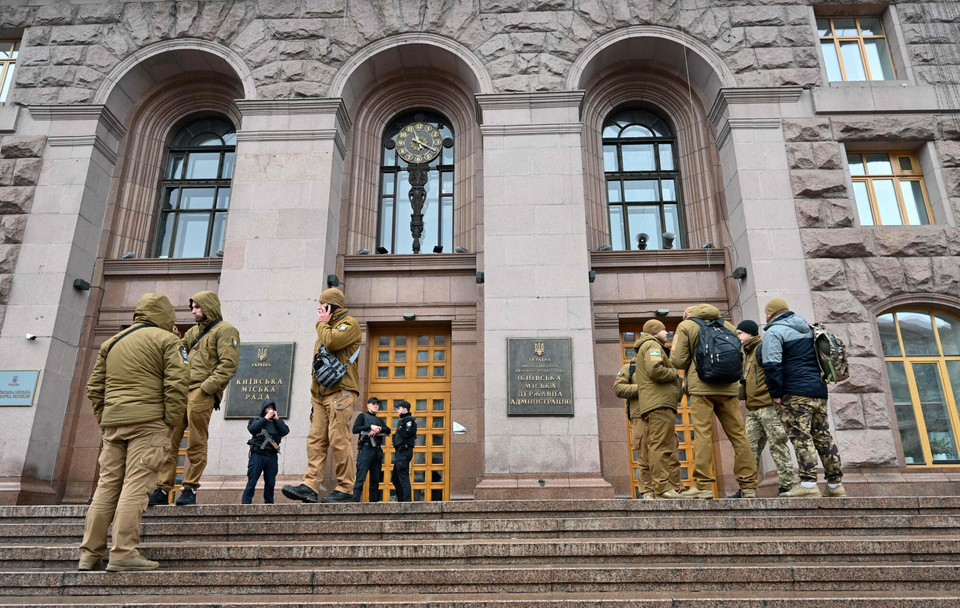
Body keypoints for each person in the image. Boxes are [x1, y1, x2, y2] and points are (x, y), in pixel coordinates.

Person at [79, 293, 188, 571]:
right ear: (165, 316)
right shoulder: (168, 341)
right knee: (136, 487)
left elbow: (94, 387)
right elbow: (177, 384)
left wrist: (107, 417)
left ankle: (90, 554)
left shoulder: (112, 342)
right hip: (149, 423)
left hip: (114, 425)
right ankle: (123, 552)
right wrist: (172, 422)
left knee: (106, 487)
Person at [150, 291, 240, 507]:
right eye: (192, 307)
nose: (193, 311)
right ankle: (163, 488)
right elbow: (179, 355)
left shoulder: (226, 330)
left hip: (200, 391)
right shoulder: (191, 332)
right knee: (169, 441)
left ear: (208, 306)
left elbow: (228, 363)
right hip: (180, 391)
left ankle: (189, 487)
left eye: (197, 307)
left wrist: (206, 389)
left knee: (196, 441)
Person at [282, 287, 362, 504]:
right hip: (320, 395)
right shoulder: (325, 328)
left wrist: (321, 323)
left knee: (339, 439)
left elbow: (332, 342)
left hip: (340, 392)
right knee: (316, 440)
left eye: (322, 306)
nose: (319, 310)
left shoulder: (349, 324)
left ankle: (346, 488)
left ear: (332, 307)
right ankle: (310, 485)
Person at [671, 304, 758, 499]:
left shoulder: (687, 326)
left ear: (688, 314)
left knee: (702, 434)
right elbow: (740, 357)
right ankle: (748, 486)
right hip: (728, 388)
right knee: (739, 435)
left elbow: (677, 360)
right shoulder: (728, 325)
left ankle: (703, 487)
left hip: (702, 387)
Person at [761, 298, 845, 498]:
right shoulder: (808, 328)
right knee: (823, 436)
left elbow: (772, 365)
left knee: (801, 437)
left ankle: (808, 485)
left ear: (768, 314)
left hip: (795, 393)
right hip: (818, 391)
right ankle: (835, 485)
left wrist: (776, 394)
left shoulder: (774, 332)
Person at [615, 320, 685, 499]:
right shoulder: (629, 368)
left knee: (670, 451)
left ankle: (676, 487)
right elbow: (618, 388)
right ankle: (648, 491)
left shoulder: (660, 357)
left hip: (657, 409)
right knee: (645, 455)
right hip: (640, 414)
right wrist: (643, 389)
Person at [736, 319, 795, 498]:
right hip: (753, 409)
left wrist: (777, 397)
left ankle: (787, 486)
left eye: (740, 333)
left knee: (778, 445)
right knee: (749, 449)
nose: (738, 336)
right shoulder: (745, 352)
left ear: (750, 333)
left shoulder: (762, 348)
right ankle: (747, 488)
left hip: (769, 407)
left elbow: (776, 371)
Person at [242, 399, 290, 504]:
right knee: (252, 481)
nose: (270, 410)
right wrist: (265, 419)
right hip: (258, 455)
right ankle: (245, 503)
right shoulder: (257, 420)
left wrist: (277, 419)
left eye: (272, 408)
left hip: (271, 456)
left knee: (270, 483)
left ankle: (269, 505)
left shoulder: (277, 423)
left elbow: (285, 431)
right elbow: (252, 428)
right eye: (268, 408)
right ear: (264, 409)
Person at [352, 397, 391, 502]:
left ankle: (373, 503)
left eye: (377, 404)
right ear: (368, 405)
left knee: (375, 479)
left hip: (376, 451)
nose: (376, 406)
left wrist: (379, 429)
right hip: (366, 449)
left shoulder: (379, 420)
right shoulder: (362, 416)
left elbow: (388, 430)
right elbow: (355, 429)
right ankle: (355, 501)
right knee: (361, 477)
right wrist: (369, 427)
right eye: (373, 404)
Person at [391, 399, 418, 502]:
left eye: (399, 408)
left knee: (403, 477)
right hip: (399, 452)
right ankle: (401, 500)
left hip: (404, 451)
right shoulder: (402, 420)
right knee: (395, 478)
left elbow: (409, 432)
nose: (397, 410)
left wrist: (400, 430)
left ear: (405, 409)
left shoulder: (410, 419)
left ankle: (406, 502)